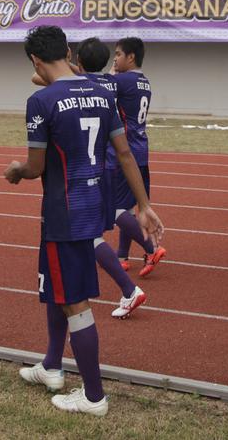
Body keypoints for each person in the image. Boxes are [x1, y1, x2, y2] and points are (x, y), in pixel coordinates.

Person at [7, 25, 163, 417]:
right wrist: (144, 205)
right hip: (94, 201)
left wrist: (16, 170)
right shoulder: (102, 93)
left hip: (64, 211)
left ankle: (94, 396)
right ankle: (52, 365)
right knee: (56, 288)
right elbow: (124, 153)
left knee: (74, 302)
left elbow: (35, 167)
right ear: (68, 52)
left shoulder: (40, 100)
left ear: (35, 60)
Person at [62, 39, 149, 318]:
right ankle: (125, 266)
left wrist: (63, 61)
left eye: (120, 54)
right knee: (95, 228)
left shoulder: (74, 86)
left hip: (90, 168)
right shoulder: (113, 84)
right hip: (112, 161)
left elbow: (38, 77)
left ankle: (130, 285)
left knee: (88, 232)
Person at [108, 37, 167, 276]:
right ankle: (122, 255)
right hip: (141, 149)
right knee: (130, 207)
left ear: (131, 57)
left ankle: (152, 248)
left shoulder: (121, 80)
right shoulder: (144, 81)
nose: (115, 59)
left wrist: (110, 73)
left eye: (118, 54)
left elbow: (100, 86)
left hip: (126, 151)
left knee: (113, 207)